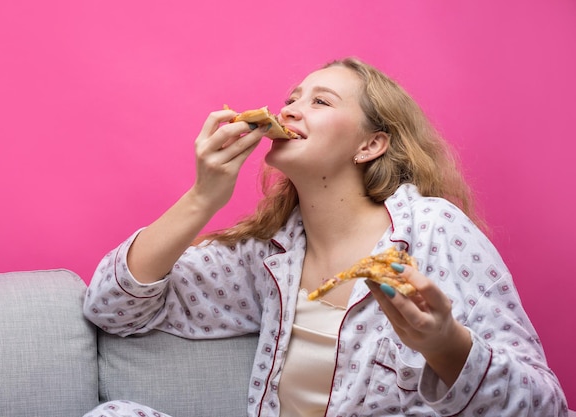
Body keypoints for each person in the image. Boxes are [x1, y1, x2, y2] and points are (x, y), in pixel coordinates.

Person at [83, 57, 568, 417]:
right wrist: (203, 196)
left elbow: (545, 406)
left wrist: (445, 344)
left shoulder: (433, 230)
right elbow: (110, 307)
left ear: (370, 145)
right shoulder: (268, 253)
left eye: (320, 101)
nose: (291, 109)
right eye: (292, 97)